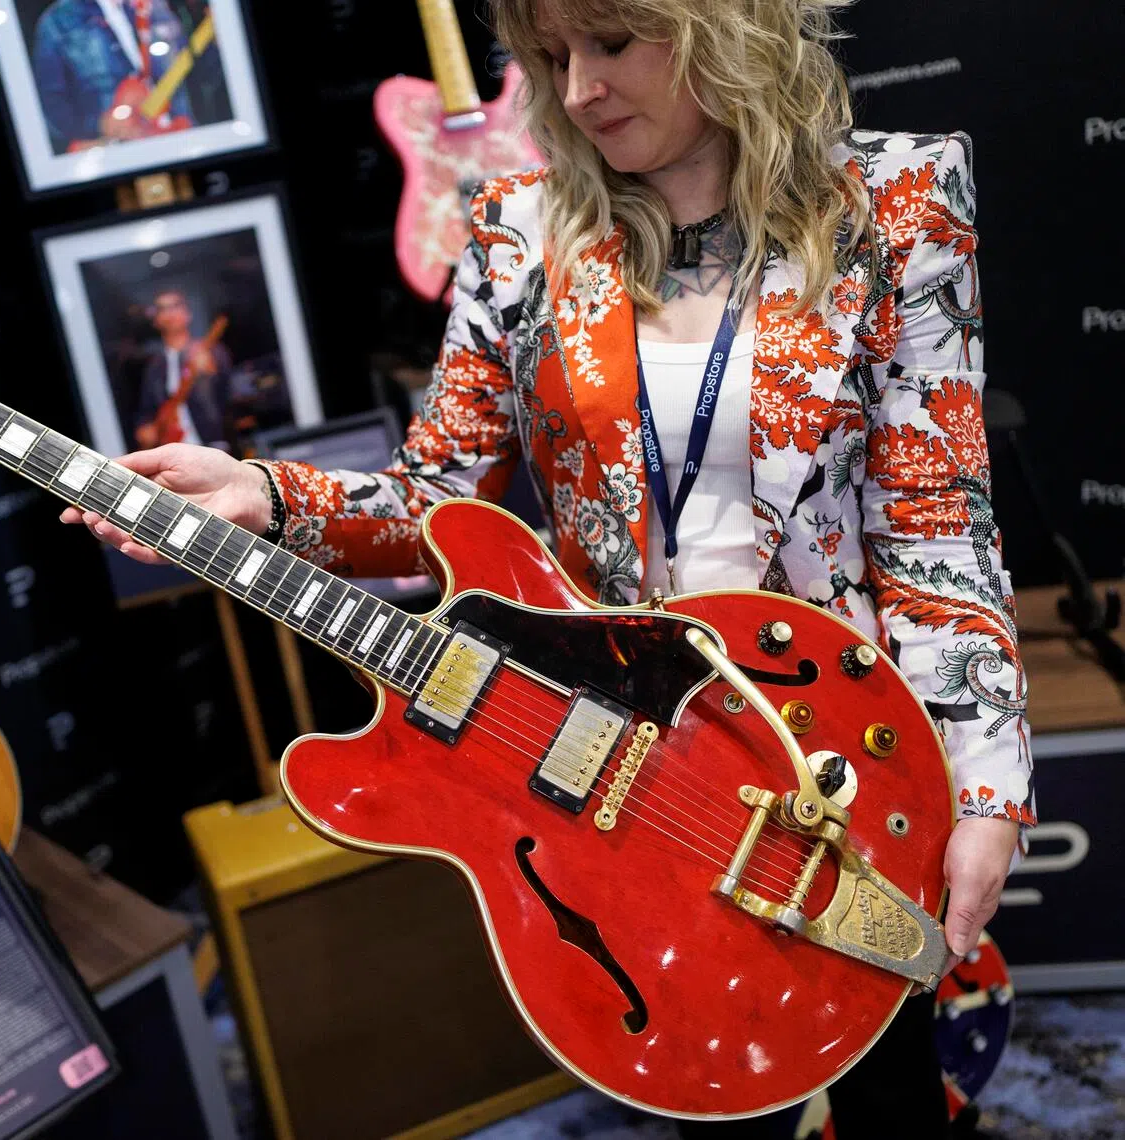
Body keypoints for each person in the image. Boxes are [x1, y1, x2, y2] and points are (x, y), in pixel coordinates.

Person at [62, 0, 1035, 1134]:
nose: (574, 92)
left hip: (836, 743)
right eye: (550, 56)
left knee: (883, 1083)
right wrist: (266, 494)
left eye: (611, 44)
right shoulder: (526, 231)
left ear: (725, 26)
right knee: (699, 1071)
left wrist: (987, 783)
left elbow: (934, 516)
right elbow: (436, 503)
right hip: (621, 761)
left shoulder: (897, 202)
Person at [31, 0, 197, 155]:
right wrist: (99, 125)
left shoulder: (155, 7)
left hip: (175, 141)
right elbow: (49, 106)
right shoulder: (58, 21)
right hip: (116, 153)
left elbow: (194, 75)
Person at [133, 289, 231, 450]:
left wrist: (211, 372)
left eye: (175, 306)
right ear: (156, 320)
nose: (169, 313)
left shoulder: (211, 351)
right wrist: (145, 428)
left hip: (213, 444)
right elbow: (147, 409)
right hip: (174, 449)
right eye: (162, 309)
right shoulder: (154, 367)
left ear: (187, 314)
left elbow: (228, 394)